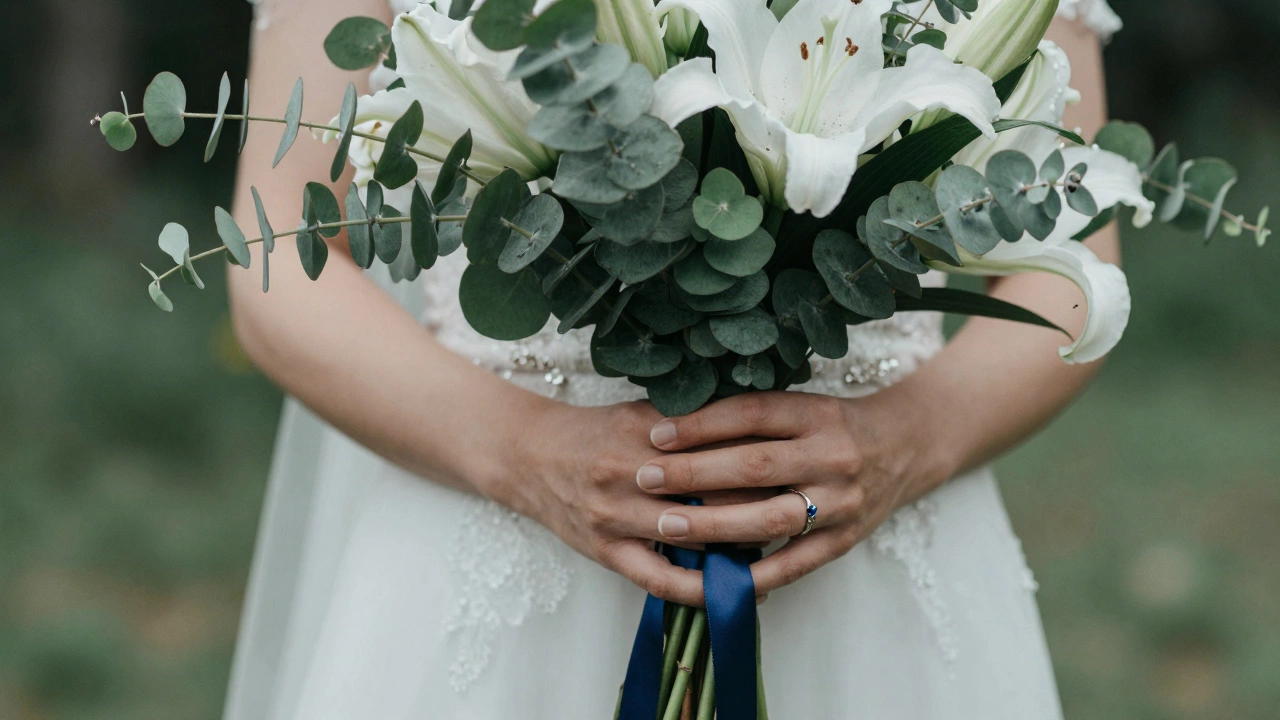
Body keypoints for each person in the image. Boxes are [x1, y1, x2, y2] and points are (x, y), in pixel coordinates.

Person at [222, 0, 1124, 717]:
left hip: (873, 542)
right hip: (493, 533)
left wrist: (905, 442)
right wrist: (529, 455)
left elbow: (1073, 259)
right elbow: (279, 258)